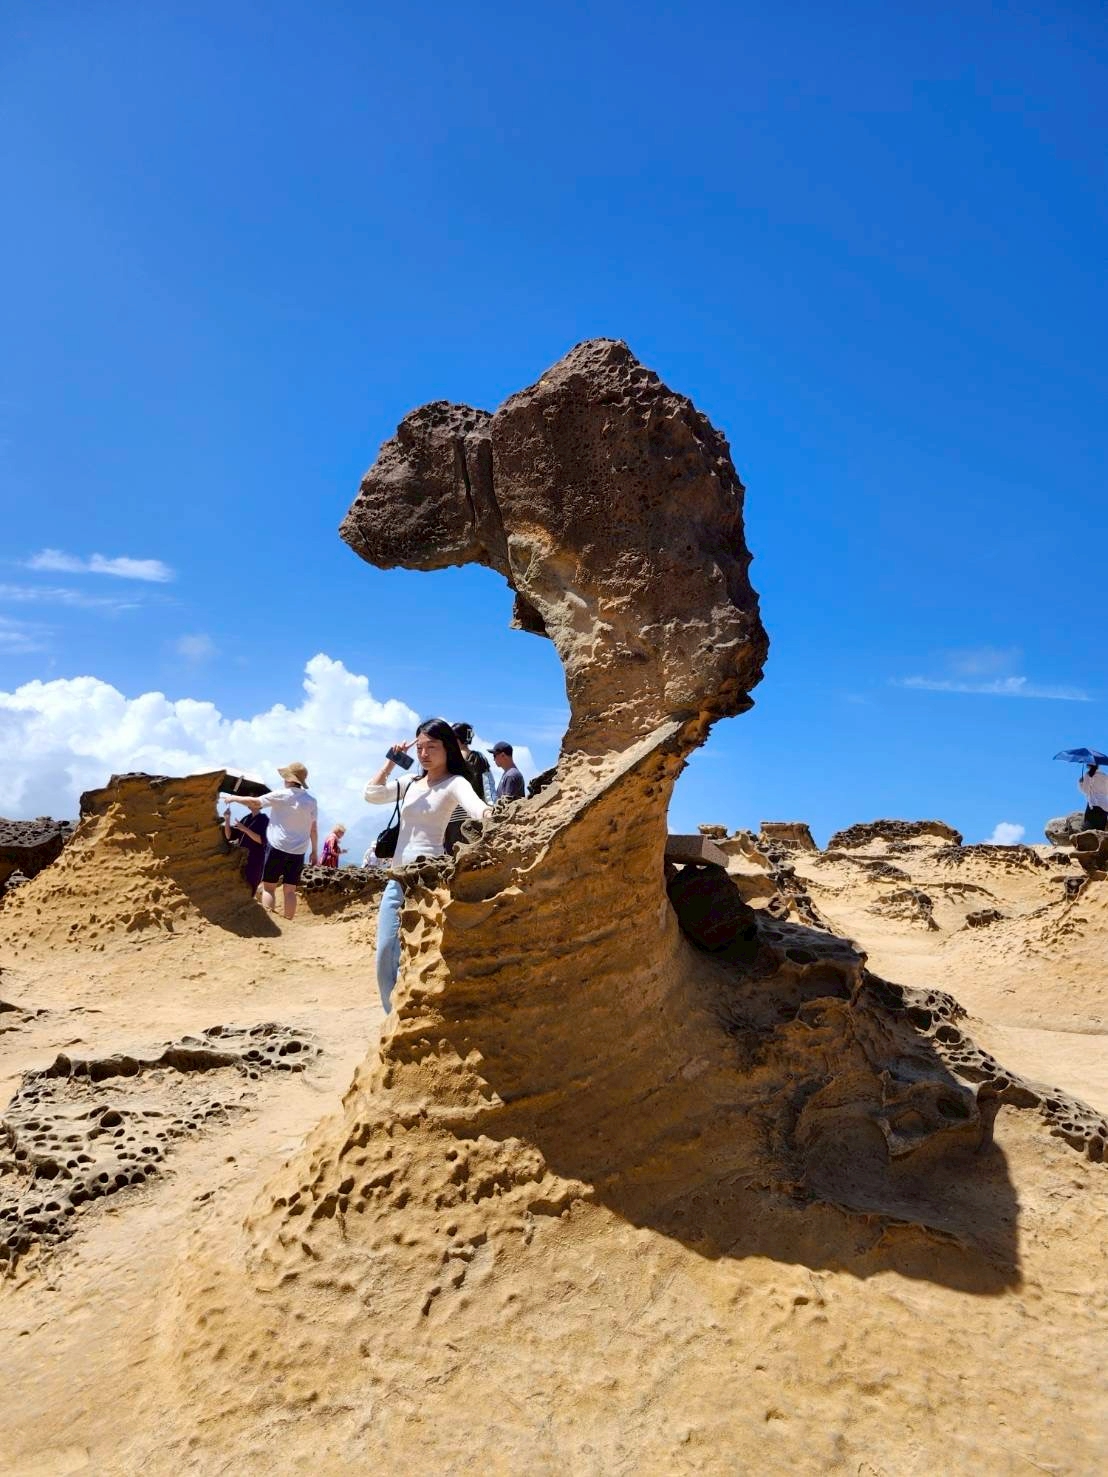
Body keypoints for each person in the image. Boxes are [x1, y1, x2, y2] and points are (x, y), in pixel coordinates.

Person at [364, 718, 492, 1012]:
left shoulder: (455, 782)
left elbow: (477, 809)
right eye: (420, 747)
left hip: (428, 881)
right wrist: (391, 762)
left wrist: (497, 816)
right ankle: (392, 1016)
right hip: (397, 878)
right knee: (385, 951)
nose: (423, 754)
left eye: (431, 747)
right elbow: (371, 795)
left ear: (447, 748)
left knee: (422, 954)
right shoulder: (410, 783)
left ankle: (416, 1013)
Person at [230, 762, 319, 920]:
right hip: (299, 850)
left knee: (269, 888)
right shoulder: (311, 801)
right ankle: (289, 922)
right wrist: (314, 851)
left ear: (288, 779)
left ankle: (268, 921)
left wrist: (234, 798)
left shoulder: (282, 795)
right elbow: (313, 828)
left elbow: (256, 802)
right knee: (290, 890)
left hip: (277, 846)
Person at [222, 804, 269, 897]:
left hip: (255, 860)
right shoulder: (246, 818)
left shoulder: (264, 820)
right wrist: (227, 819)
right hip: (241, 859)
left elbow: (262, 840)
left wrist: (244, 829)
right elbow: (229, 836)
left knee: (250, 887)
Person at [1078, 762, 1108, 831]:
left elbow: (1085, 790)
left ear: (1088, 765)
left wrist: (1081, 783)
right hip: (1105, 806)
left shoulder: (1088, 775)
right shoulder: (1105, 776)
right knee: (1100, 831)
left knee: (1087, 831)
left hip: (1094, 805)